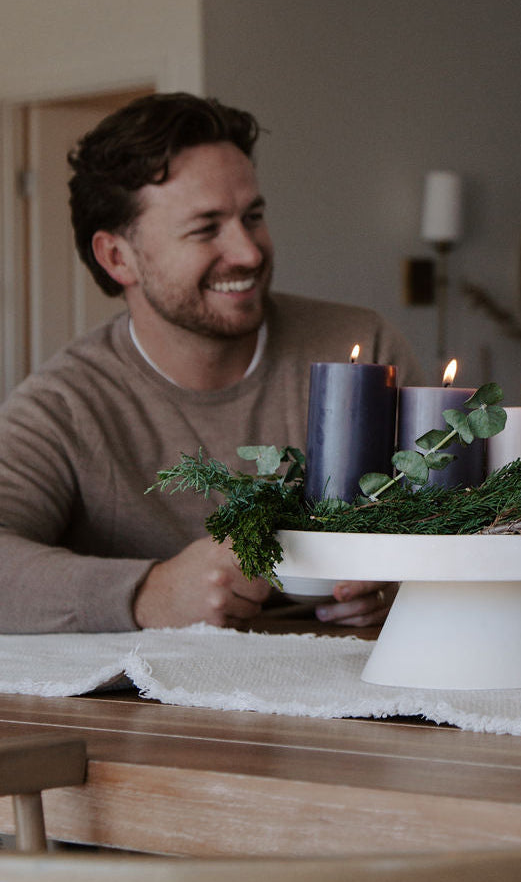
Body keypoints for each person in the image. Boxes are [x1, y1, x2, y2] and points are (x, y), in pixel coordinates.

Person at [0, 92, 423, 634]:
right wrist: (145, 595)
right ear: (117, 257)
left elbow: (459, 522)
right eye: (206, 228)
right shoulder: (66, 403)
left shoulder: (362, 347)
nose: (248, 252)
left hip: (368, 696)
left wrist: (404, 579)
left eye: (253, 216)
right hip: (144, 716)